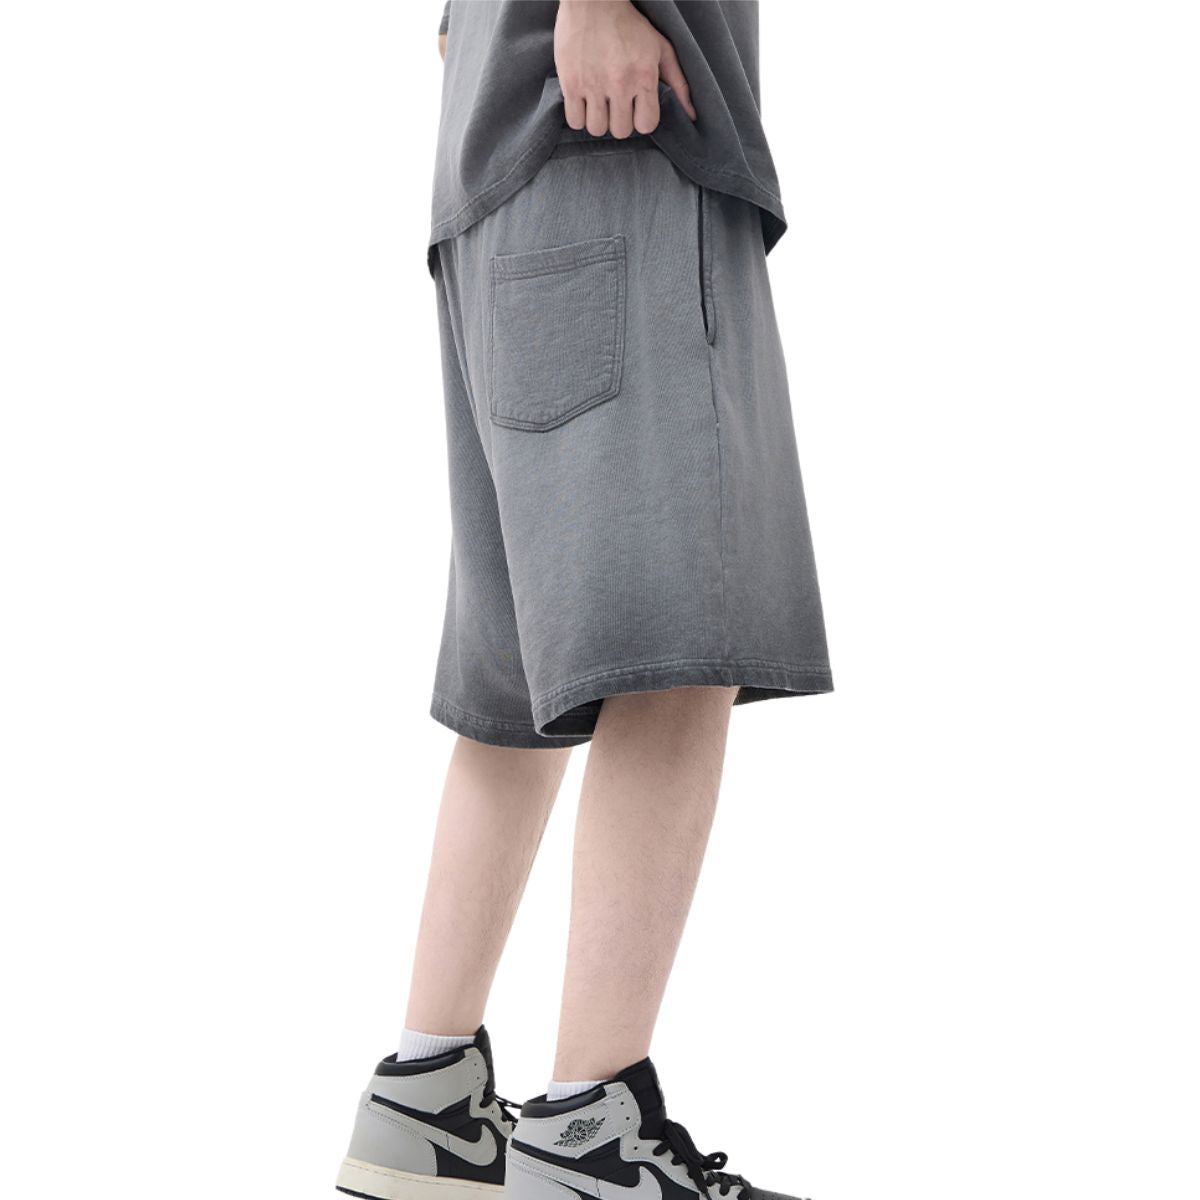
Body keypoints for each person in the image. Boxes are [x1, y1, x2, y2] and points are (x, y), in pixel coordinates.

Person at [336, 3, 831, 1199]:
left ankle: (427, 1103)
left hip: (507, 165)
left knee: (518, 687)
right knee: (671, 649)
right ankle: (585, 1136)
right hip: (616, 145)